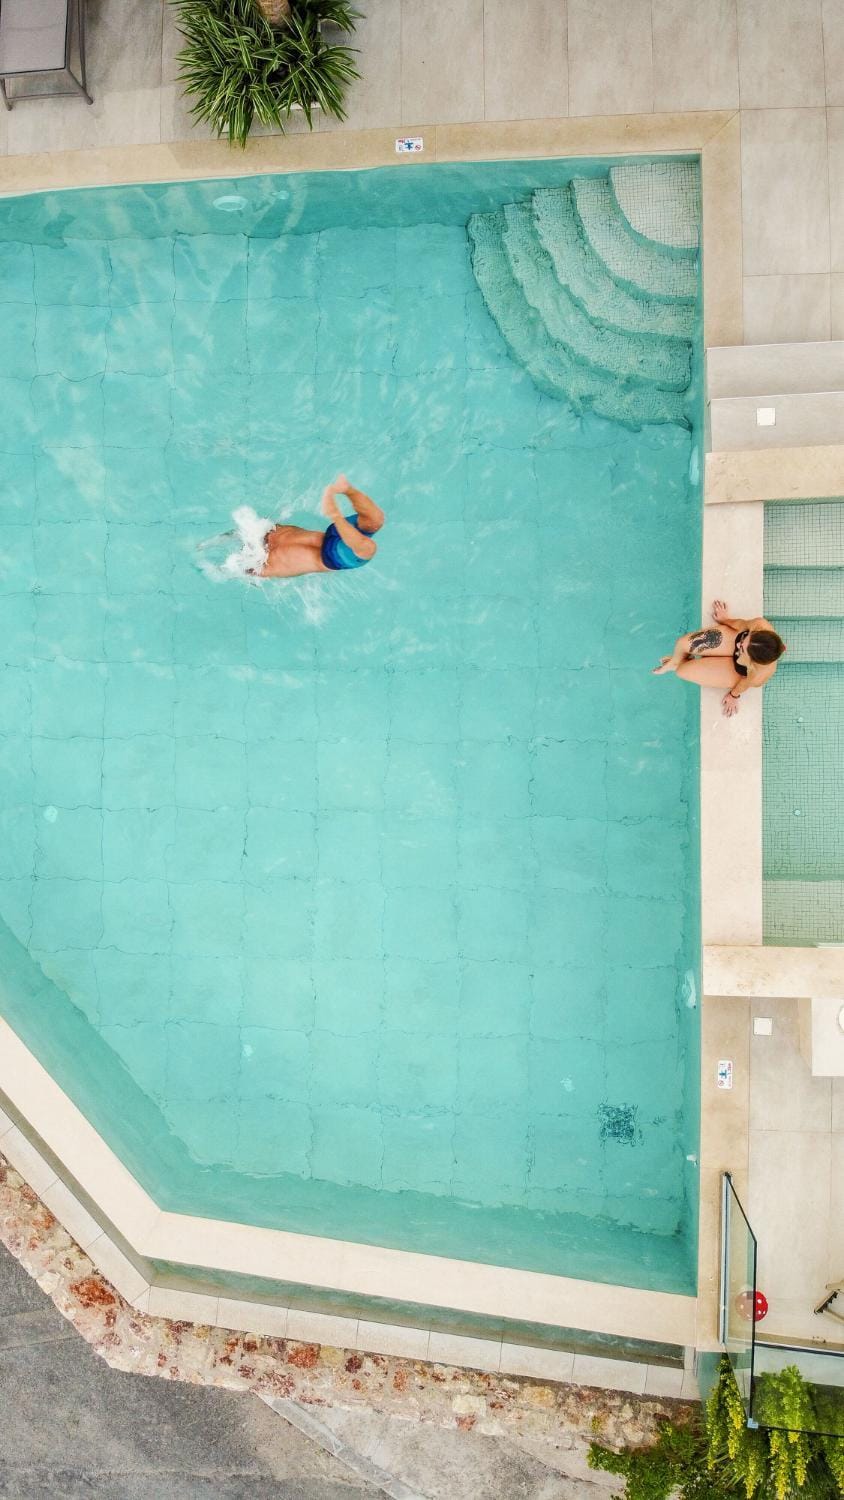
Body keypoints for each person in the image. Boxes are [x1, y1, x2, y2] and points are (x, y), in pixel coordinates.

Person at [200, 476, 384, 583]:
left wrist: (335, 514)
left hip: (338, 555)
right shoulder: (268, 536)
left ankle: (223, 562)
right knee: (375, 520)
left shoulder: (270, 561)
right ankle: (348, 489)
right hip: (334, 539)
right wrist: (346, 492)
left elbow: (360, 545)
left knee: (367, 547)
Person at [652, 600, 786, 716]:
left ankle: (684, 662)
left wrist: (734, 695)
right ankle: (674, 662)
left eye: (742, 649)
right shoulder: (759, 625)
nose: (739, 644)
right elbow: (741, 625)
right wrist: (725, 620)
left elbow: (745, 683)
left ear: (752, 661)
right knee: (682, 644)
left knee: (681, 671)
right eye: (746, 638)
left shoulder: (759, 675)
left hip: (737, 670)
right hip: (732, 638)